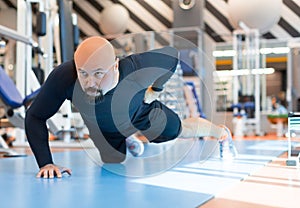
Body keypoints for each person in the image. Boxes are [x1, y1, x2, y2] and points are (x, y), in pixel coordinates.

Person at [25, 36, 234, 179]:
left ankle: (221, 133)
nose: (90, 82)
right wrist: (46, 163)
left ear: (115, 66)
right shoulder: (64, 77)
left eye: (98, 73)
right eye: (84, 73)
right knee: (115, 160)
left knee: (178, 131)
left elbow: (172, 56)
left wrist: (156, 90)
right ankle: (127, 138)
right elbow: (34, 116)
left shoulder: (137, 67)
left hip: (141, 112)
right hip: (103, 128)